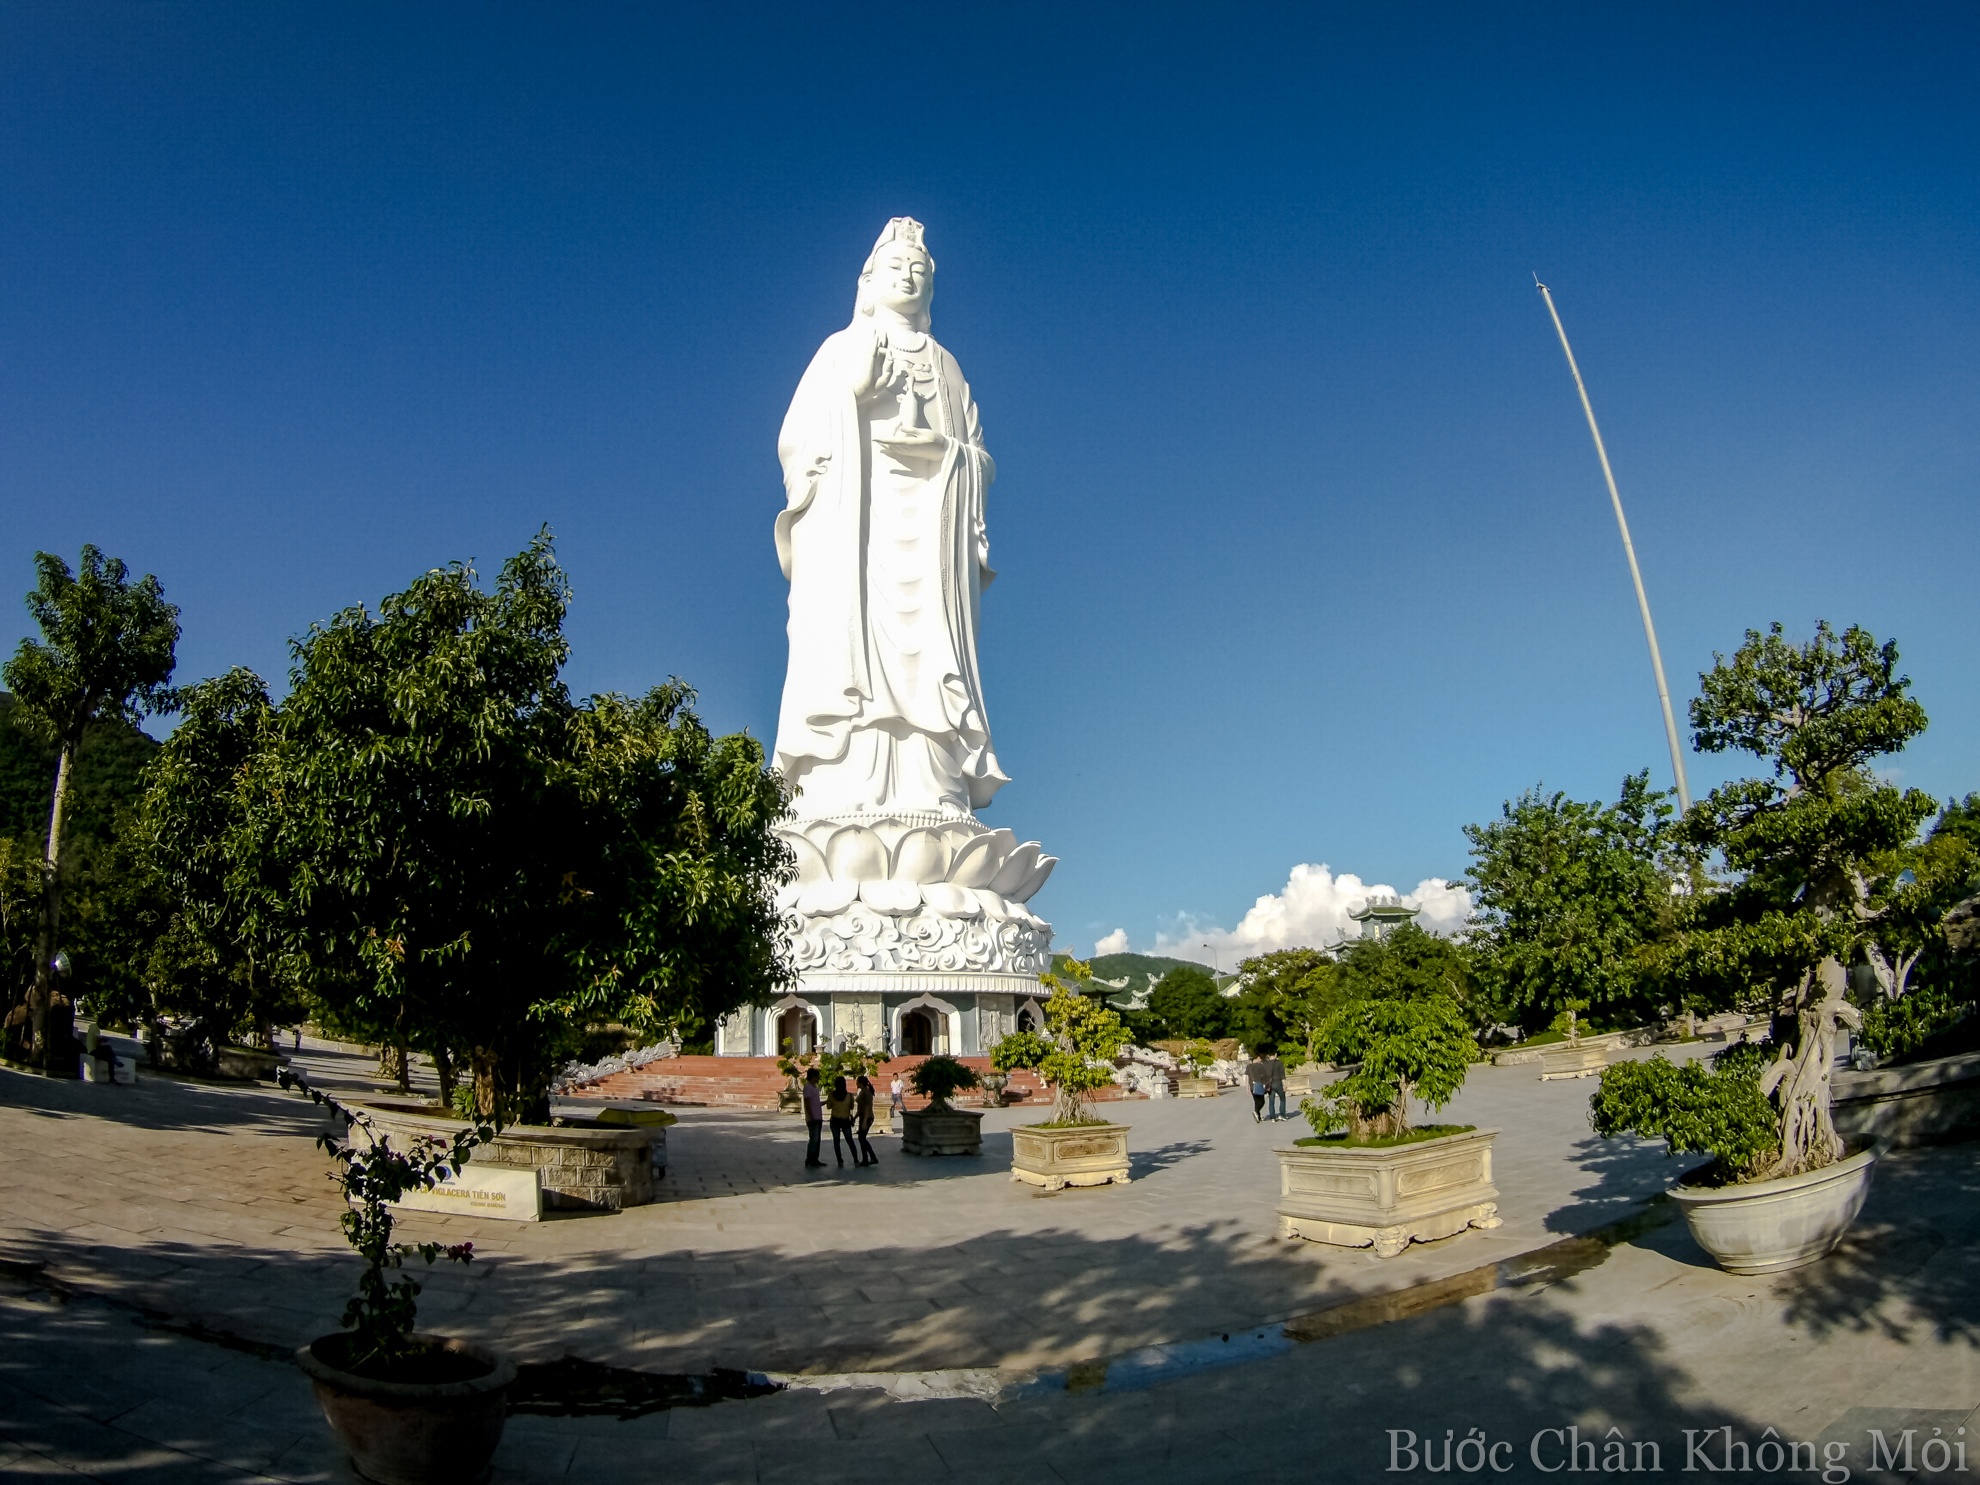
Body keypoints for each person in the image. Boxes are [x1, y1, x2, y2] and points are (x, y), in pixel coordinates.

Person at [827, 1075, 856, 1167]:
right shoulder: (850, 1096)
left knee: (836, 1141)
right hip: (845, 1120)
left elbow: (828, 1107)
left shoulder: (831, 1095)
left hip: (835, 1120)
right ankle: (856, 1159)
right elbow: (851, 1107)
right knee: (850, 1141)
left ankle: (840, 1160)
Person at [802, 1067, 825, 1168]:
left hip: (818, 1116)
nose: (818, 1078)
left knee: (817, 1139)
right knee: (813, 1139)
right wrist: (810, 1116)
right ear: (813, 1077)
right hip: (813, 1117)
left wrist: (826, 1102)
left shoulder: (815, 1088)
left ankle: (815, 1158)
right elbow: (807, 1104)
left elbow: (816, 1103)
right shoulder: (807, 1087)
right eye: (817, 1077)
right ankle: (810, 1159)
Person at [854, 1074, 879, 1166]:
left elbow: (868, 1108)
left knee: (862, 1138)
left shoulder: (866, 1093)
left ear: (860, 1083)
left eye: (857, 1081)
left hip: (867, 1117)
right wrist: (855, 1117)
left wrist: (864, 1121)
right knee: (861, 1138)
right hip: (863, 1116)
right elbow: (860, 1108)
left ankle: (872, 1157)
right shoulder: (863, 1092)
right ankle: (865, 1159)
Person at [1263, 1044, 1288, 1121]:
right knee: (1282, 1098)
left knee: (1271, 1101)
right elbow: (1282, 1075)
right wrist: (1285, 1085)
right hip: (1277, 1082)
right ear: (1275, 1054)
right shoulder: (1279, 1063)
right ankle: (1282, 1115)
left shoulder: (1265, 1064)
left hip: (1269, 1084)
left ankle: (1272, 1117)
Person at [1245, 1050, 1268, 1123]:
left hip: (1252, 1086)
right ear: (1257, 1058)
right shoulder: (1260, 1066)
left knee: (1256, 1101)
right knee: (1262, 1101)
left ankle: (1258, 1117)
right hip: (1258, 1085)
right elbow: (1264, 1076)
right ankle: (1256, 1111)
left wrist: (1247, 1088)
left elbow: (1246, 1077)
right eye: (1260, 1058)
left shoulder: (1248, 1066)